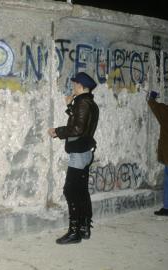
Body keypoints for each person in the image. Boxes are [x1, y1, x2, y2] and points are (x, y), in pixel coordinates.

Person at [48, 72, 99, 244]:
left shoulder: (83, 103)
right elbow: (81, 123)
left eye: (75, 84)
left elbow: (77, 129)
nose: (73, 87)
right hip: (84, 150)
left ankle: (74, 232)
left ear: (81, 86)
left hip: (78, 152)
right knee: (81, 191)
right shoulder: (89, 103)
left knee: (70, 190)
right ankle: (84, 227)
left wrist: (57, 131)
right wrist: (70, 106)